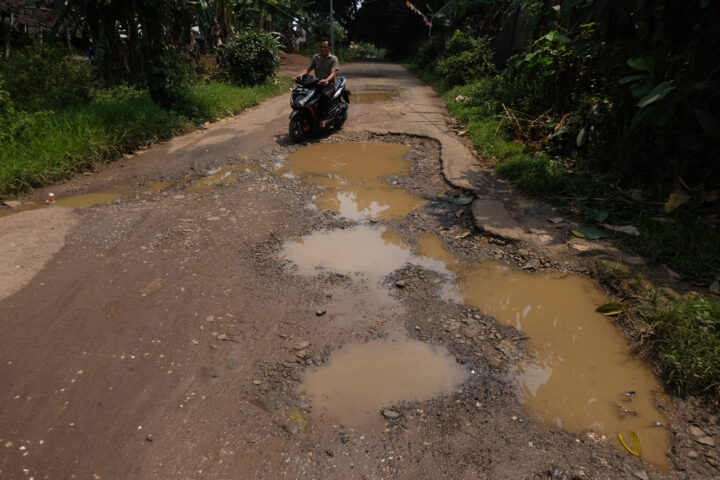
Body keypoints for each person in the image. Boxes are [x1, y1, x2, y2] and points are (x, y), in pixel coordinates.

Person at [297, 38, 338, 128]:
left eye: (325, 47)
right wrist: (299, 76)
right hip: (317, 84)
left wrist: (326, 80)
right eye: (321, 47)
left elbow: (333, 73)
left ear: (329, 48)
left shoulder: (333, 59)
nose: (322, 49)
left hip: (329, 85)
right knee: (305, 94)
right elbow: (308, 69)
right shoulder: (316, 57)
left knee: (324, 96)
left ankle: (323, 118)